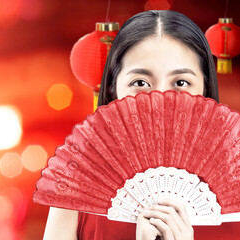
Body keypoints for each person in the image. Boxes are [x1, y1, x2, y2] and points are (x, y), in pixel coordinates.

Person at [43, 10, 239, 240]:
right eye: (140, 82)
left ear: (205, 89)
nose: (160, 98)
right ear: (112, 89)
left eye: (181, 82)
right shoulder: (76, 182)